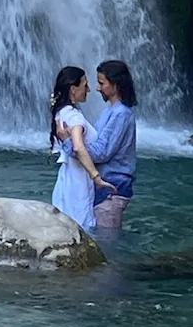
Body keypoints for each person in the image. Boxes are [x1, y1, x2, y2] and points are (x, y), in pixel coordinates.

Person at [56, 59, 137, 230]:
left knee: (106, 244)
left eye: (101, 83)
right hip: (106, 188)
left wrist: (68, 143)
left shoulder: (120, 114)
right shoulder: (110, 111)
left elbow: (102, 152)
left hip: (112, 188)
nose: (97, 88)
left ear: (116, 84)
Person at [49, 66, 116, 231]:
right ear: (73, 89)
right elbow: (78, 147)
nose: (89, 89)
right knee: (82, 228)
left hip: (66, 179)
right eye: (85, 85)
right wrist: (96, 177)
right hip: (79, 183)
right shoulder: (74, 116)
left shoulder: (61, 113)